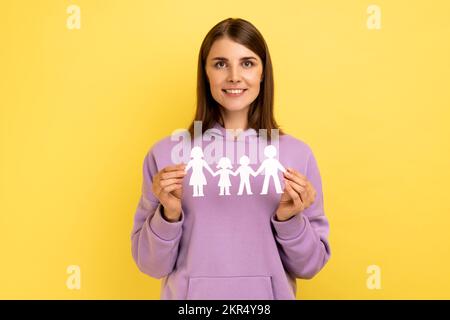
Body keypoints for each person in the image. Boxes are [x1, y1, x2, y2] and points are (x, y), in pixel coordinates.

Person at [130, 17, 331, 300]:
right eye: (220, 64)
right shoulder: (165, 154)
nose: (234, 76)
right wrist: (168, 215)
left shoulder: (297, 154)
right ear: (206, 73)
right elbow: (150, 265)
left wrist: (289, 219)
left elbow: (310, 265)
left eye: (247, 63)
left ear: (263, 73)